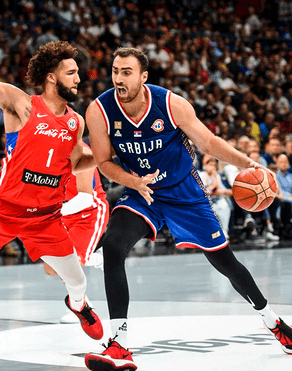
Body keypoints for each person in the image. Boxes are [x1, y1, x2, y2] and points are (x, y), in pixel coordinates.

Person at [83, 47, 292, 371]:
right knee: (113, 246)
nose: (119, 78)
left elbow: (208, 143)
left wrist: (248, 162)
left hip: (183, 191)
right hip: (143, 191)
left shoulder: (171, 104)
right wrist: (133, 181)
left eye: (126, 72)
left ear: (144, 76)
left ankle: (272, 320)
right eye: (115, 71)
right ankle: (120, 344)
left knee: (225, 261)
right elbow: (103, 162)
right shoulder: (99, 110)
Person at [0, 9, 102, 340]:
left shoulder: (76, 122)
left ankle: (79, 305)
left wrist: (103, 155)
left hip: (45, 217)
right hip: (4, 208)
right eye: (71, 73)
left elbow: (73, 164)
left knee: (78, 280)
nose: (79, 79)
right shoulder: (20, 103)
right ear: (52, 77)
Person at [44, 143, 110, 324]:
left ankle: (82, 306)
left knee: (72, 262)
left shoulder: (83, 152)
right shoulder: (46, 149)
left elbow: (85, 197)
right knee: (51, 268)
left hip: (89, 211)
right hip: (64, 211)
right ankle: (98, 259)